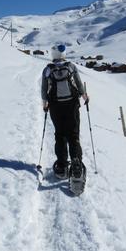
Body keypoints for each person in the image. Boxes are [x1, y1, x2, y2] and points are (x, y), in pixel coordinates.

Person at [41, 44, 89, 179]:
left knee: (60, 135)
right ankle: (76, 163)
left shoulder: (47, 69)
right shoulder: (71, 66)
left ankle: (62, 166)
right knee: (73, 134)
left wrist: (44, 104)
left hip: (55, 106)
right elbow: (79, 84)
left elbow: (44, 90)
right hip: (72, 104)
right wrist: (85, 96)